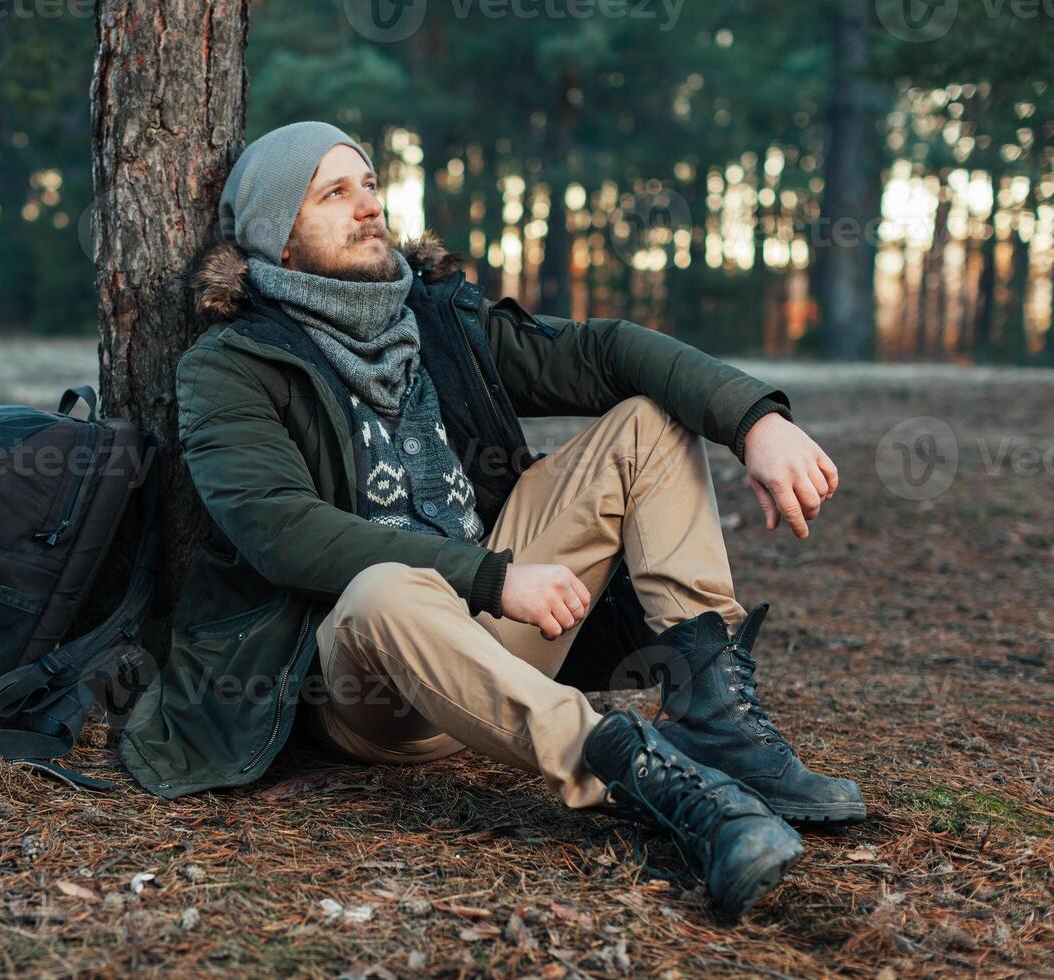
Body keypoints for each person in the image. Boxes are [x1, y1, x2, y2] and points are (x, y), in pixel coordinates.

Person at [117, 121, 864, 921]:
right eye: (333, 193)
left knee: (648, 422)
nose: (368, 206)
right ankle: (641, 776)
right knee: (384, 591)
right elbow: (279, 528)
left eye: (368, 184)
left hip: (496, 622)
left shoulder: (438, 322)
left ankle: (712, 714)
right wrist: (489, 576)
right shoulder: (231, 365)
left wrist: (754, 421)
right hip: (369, 679)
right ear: (280, 241)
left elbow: (605, 352)